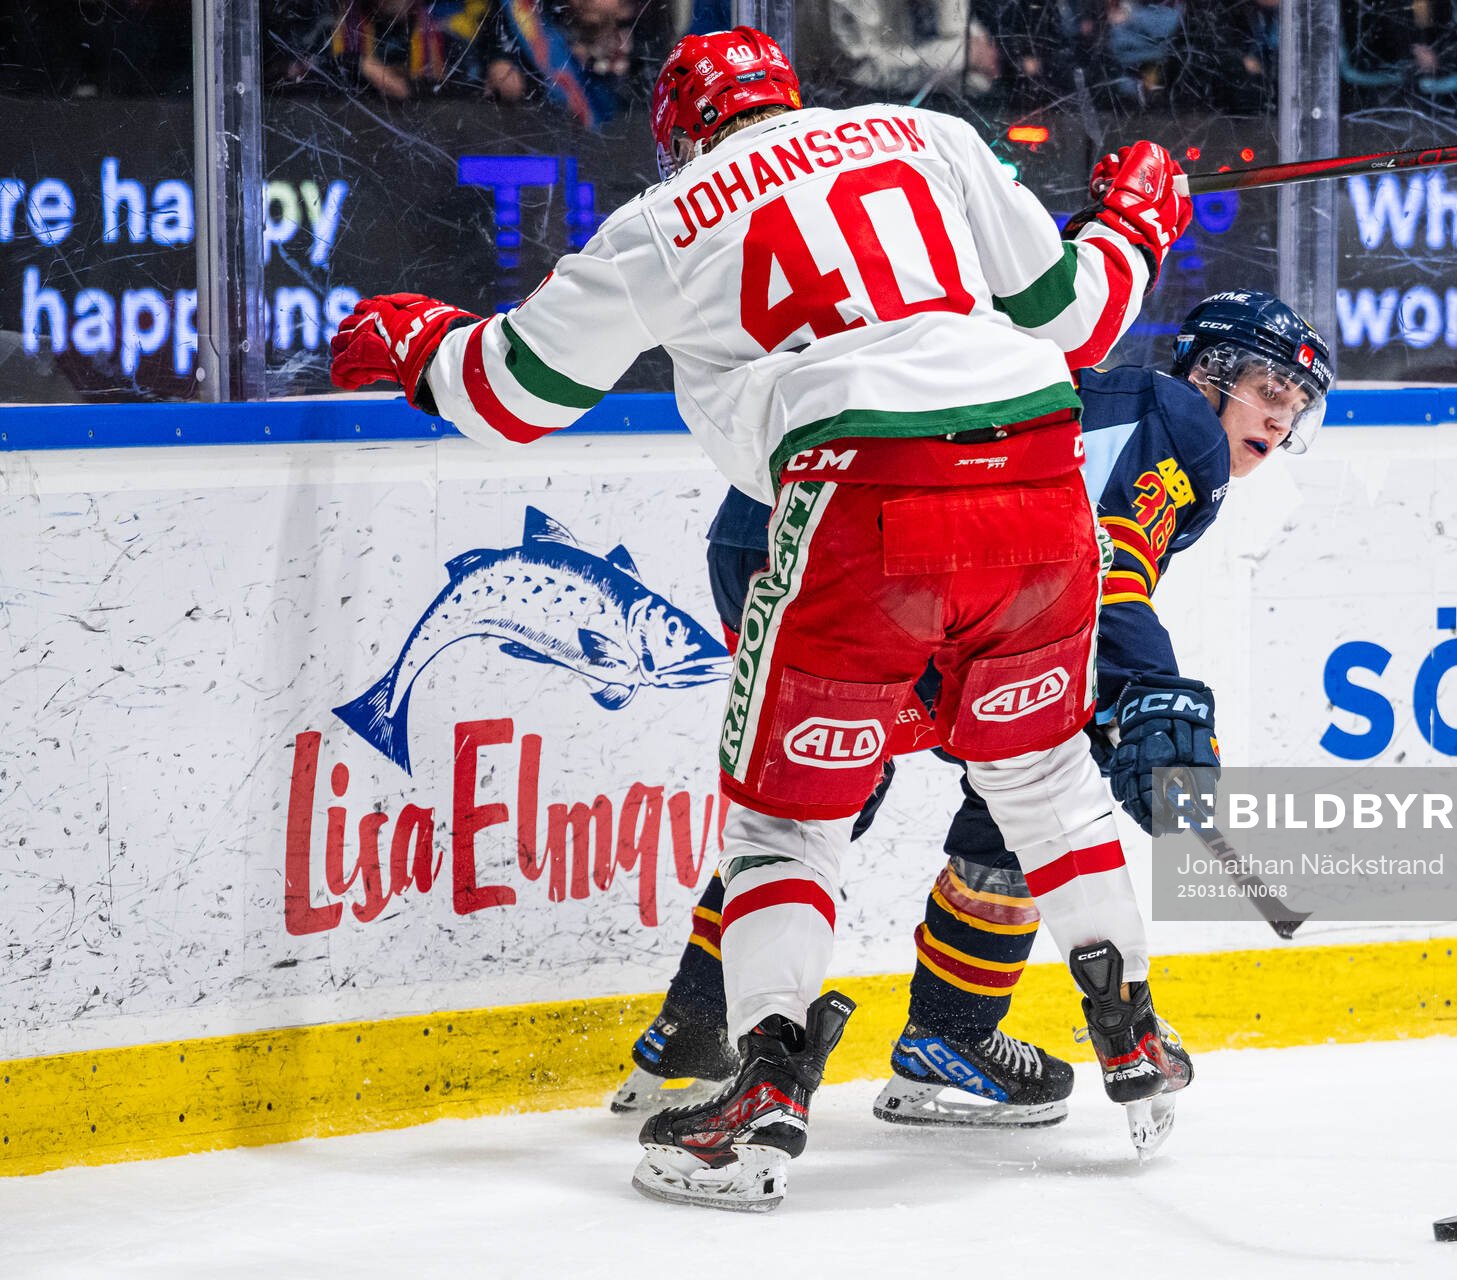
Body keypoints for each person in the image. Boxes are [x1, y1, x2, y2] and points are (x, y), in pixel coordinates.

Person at [329, 26, 1194, 1211]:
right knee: (1042, 776)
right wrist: (1135, 221)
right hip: (1037, 465)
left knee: (788, 823)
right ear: (791, 94)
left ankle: (768, 1089)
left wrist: (416, 345)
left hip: (860, 490)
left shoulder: (666, 219)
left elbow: (510, 393)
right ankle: (1134, 1033)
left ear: (681, 133)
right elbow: (1082, 319)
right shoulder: (932, 136)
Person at [610, 289, 1333, 1132]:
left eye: (1298, 406)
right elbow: (1107, 570)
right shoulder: (1172, 415)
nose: (1280, 421)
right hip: (886, 547)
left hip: (788, 526)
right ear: (1208, 372)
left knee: (820, 794)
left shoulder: (1083, 385)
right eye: (1270, 390)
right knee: (1029, 765)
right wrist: (1146, 689)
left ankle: (697, 1028)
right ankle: (951, 1031)